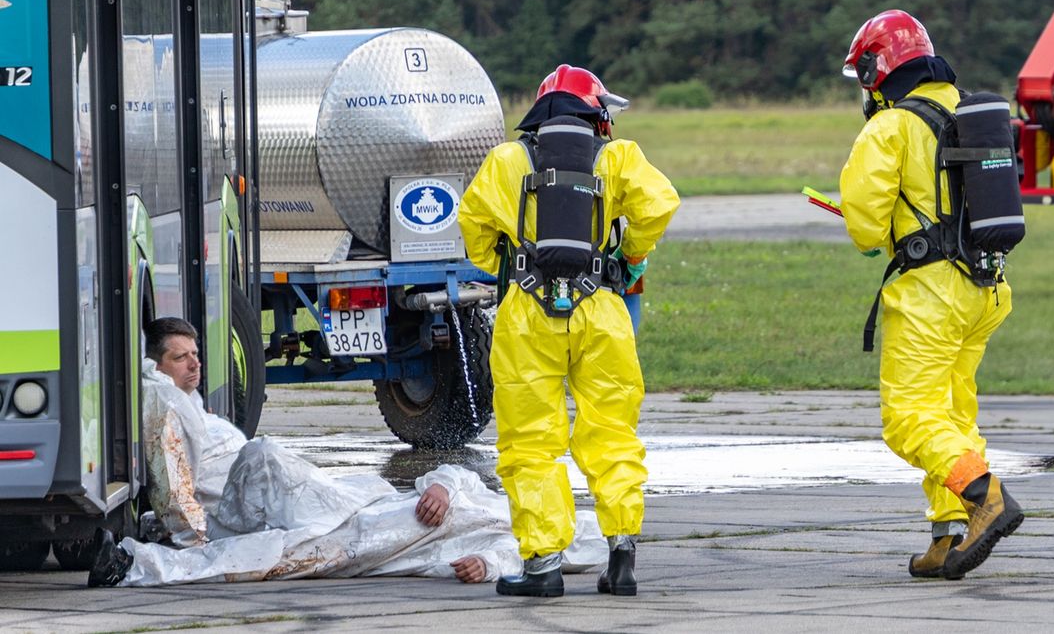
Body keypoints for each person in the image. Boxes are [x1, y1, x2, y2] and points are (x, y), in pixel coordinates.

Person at [88, 317, 606, 587]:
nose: (195, 365)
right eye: (181, 358)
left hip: (397, 537)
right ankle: (145, 561)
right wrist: (444, 488)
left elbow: (550, 553)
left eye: (194, 356)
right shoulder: (521, 506)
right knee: (277, 488)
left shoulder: (551, 538)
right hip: (378, 509)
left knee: (282, 553)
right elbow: (461, 477)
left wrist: (487, 565)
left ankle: (135, 567)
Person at [459, 64, 680, 598]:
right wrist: (629, 255)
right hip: (601, 308)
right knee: (612, 431)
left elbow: (473, 227)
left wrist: (505, 264)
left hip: (527, 315)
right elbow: (660, 203)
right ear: (594, 113)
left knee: (530, 441)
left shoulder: (507, 161)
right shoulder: (617, 157)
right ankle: (622, 555)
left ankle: (542, 566)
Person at [838, 10, 1024, 580]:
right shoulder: (963, 109)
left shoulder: (891, 127)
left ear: (876, 70)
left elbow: (865, 228)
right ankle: (948, 534)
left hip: (930, 296)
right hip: (985, 287)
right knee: (952, 412)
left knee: (909, 416)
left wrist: (881, 228)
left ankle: (984, 495)